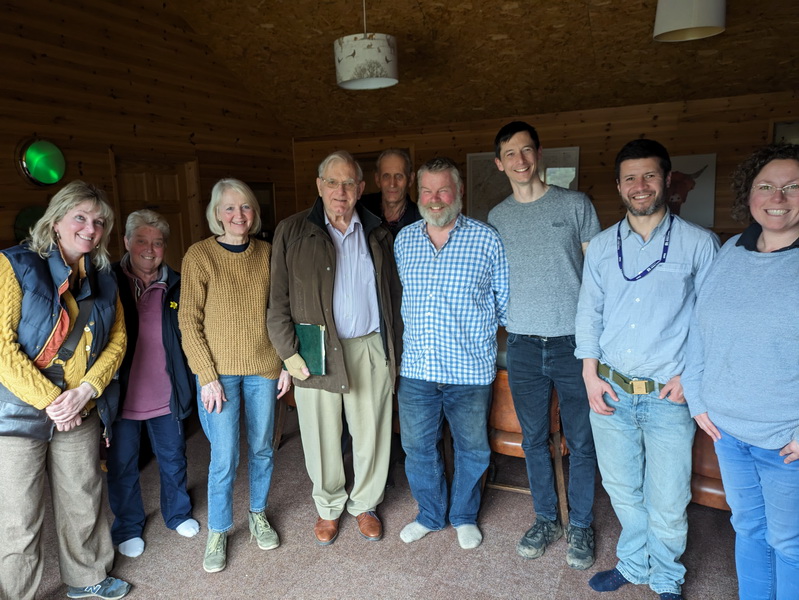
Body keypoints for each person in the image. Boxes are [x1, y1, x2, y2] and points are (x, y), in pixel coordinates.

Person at [575, 139, 718, 600]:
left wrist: (690, 379)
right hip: (611, 390)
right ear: (618, 186)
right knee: (621, 489)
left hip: (667, 395)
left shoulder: (699, 244)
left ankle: (666, 577)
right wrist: (589, 374)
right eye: (631, 177)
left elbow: (712, 320)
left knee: (669, 499)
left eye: (650, 176)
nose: (640, 186)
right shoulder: (599, 247)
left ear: (667, 180)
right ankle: (635, 562)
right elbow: (589, 313)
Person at [0, 180, 131, 600]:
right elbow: (2, 347)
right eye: (80, 218)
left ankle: (86, 576)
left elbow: (119, 339)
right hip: (22, 409)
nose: (90, 229)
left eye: (98, 222)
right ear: (55, 221)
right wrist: (54, 401)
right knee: (19, 515)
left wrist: (89, 389)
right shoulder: (14, 264)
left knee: (83, 498)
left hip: (80, 405)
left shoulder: (105, 275)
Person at [682, 143, 799, 600]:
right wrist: (697, 395)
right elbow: (700, 328)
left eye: (793, 188)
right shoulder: (731, 250)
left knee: (789, 543)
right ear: (748, 194)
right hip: (728, 433)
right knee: (749, 529)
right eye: (766, 186)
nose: (778, 197)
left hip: (785, 439)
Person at [267, 150, 401, 546]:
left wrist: (392, 352)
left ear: (360, 189)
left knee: (372, 432)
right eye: (331, 182)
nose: (339, 191)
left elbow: (394, 297)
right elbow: (277, 302)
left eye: (348, 183)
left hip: (368, 346)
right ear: (318, 186)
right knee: (320, 433)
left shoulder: (378, 232)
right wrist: (289, 355)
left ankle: (365, 505)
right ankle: (328, 507)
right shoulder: (292, 231)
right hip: (314, 350)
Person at [488, 121, 600, 569]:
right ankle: (546, 519)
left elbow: (598, 278)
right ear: (500, 164)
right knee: (534, 439)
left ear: (539, 154)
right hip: (523, 346)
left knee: (582, 440)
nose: (520, 160)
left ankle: (582, 525)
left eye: (527, 150)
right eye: (510, 154)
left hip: (574, 344)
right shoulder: (497, 218)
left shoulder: (575, 205)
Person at [395, 157, 509, 550]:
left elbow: (505, 303)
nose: (435, 198)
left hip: (469, 371)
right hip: (417, 369)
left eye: (443, 190)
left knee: (473, 449)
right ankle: (430, 514)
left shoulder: (486, 239)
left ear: (458, 193)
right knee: (417, 448)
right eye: (427, 190)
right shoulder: (404, 240)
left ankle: (463, 515)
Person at [179, 179, 290, 573]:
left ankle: (258, 513)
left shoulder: (267, 253)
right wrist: (205, 375)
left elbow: (280, 312)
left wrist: (284, 364)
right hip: (218, 376)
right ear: (216, 214)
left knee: (262, 447)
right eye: (229, 208)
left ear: (254, 213)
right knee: (224, 456)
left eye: (245, 207)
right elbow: (188, 322)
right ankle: (220, 529)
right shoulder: (200, 255)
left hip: (263, 368)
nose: (238, 215)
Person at [107, 209, 198, 559]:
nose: (149, 249)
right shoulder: (109, 280)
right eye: (142, 241)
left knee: (173, 458)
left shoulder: (177, 282)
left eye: (157, 243)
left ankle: (177, 514)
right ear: (127, 242)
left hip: (166, 392)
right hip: (121, 396)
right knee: (123, 465)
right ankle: (128, 526)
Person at [360, 148, 421, 236]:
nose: (392, 184)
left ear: (410, 179)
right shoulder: (362, 209)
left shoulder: (421, 220)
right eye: (386, 176)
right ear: (377, 179)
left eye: (399, 176)